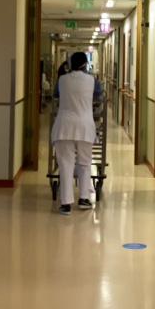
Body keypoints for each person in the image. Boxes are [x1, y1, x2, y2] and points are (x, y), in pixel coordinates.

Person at [51, 52, 103, 215]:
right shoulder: (92, 81)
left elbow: (55, 94)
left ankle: (65, 204)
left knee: (65, 164)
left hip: (64, 126)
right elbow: (98, 93)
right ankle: (83, 199)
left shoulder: (62, 80)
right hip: (85, 126)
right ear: (85, 64)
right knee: (84, 163)